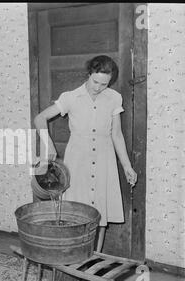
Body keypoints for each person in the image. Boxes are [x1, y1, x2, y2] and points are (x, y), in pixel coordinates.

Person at [34, 55, 137, 252]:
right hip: (78, 160)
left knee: (100, 212)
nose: (98, 87)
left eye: (104, 84)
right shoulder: (70, 97)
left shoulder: (114, 98)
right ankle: (74, 258)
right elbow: (40, 119)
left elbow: (116, 134)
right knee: (76, 211)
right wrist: (48, 145)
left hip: (104, 159)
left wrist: (127, 166)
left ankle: (94, 256)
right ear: (88, 74)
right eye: (95, 81)